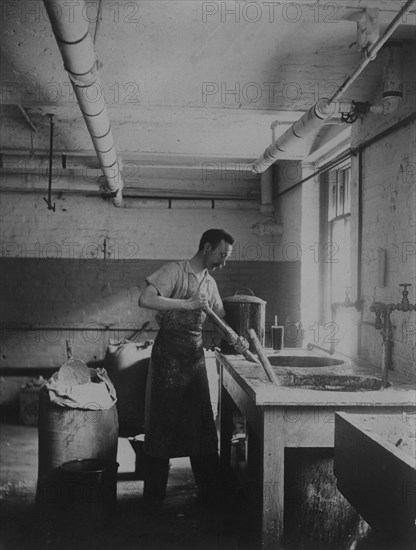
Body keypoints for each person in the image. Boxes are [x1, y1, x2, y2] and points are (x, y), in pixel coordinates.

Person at [138, 228, 235, 513]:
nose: (223, 262)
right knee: (162, 424)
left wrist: (233, 336)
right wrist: (187, 303)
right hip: (168, 355)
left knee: (202, 424)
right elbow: (145, 299)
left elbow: (219, 317)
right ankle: (153, 500)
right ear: (207, 247)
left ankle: (211, 496)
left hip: (193, 358)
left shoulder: (210, 282)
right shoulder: (174, 271)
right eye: (222, 255)